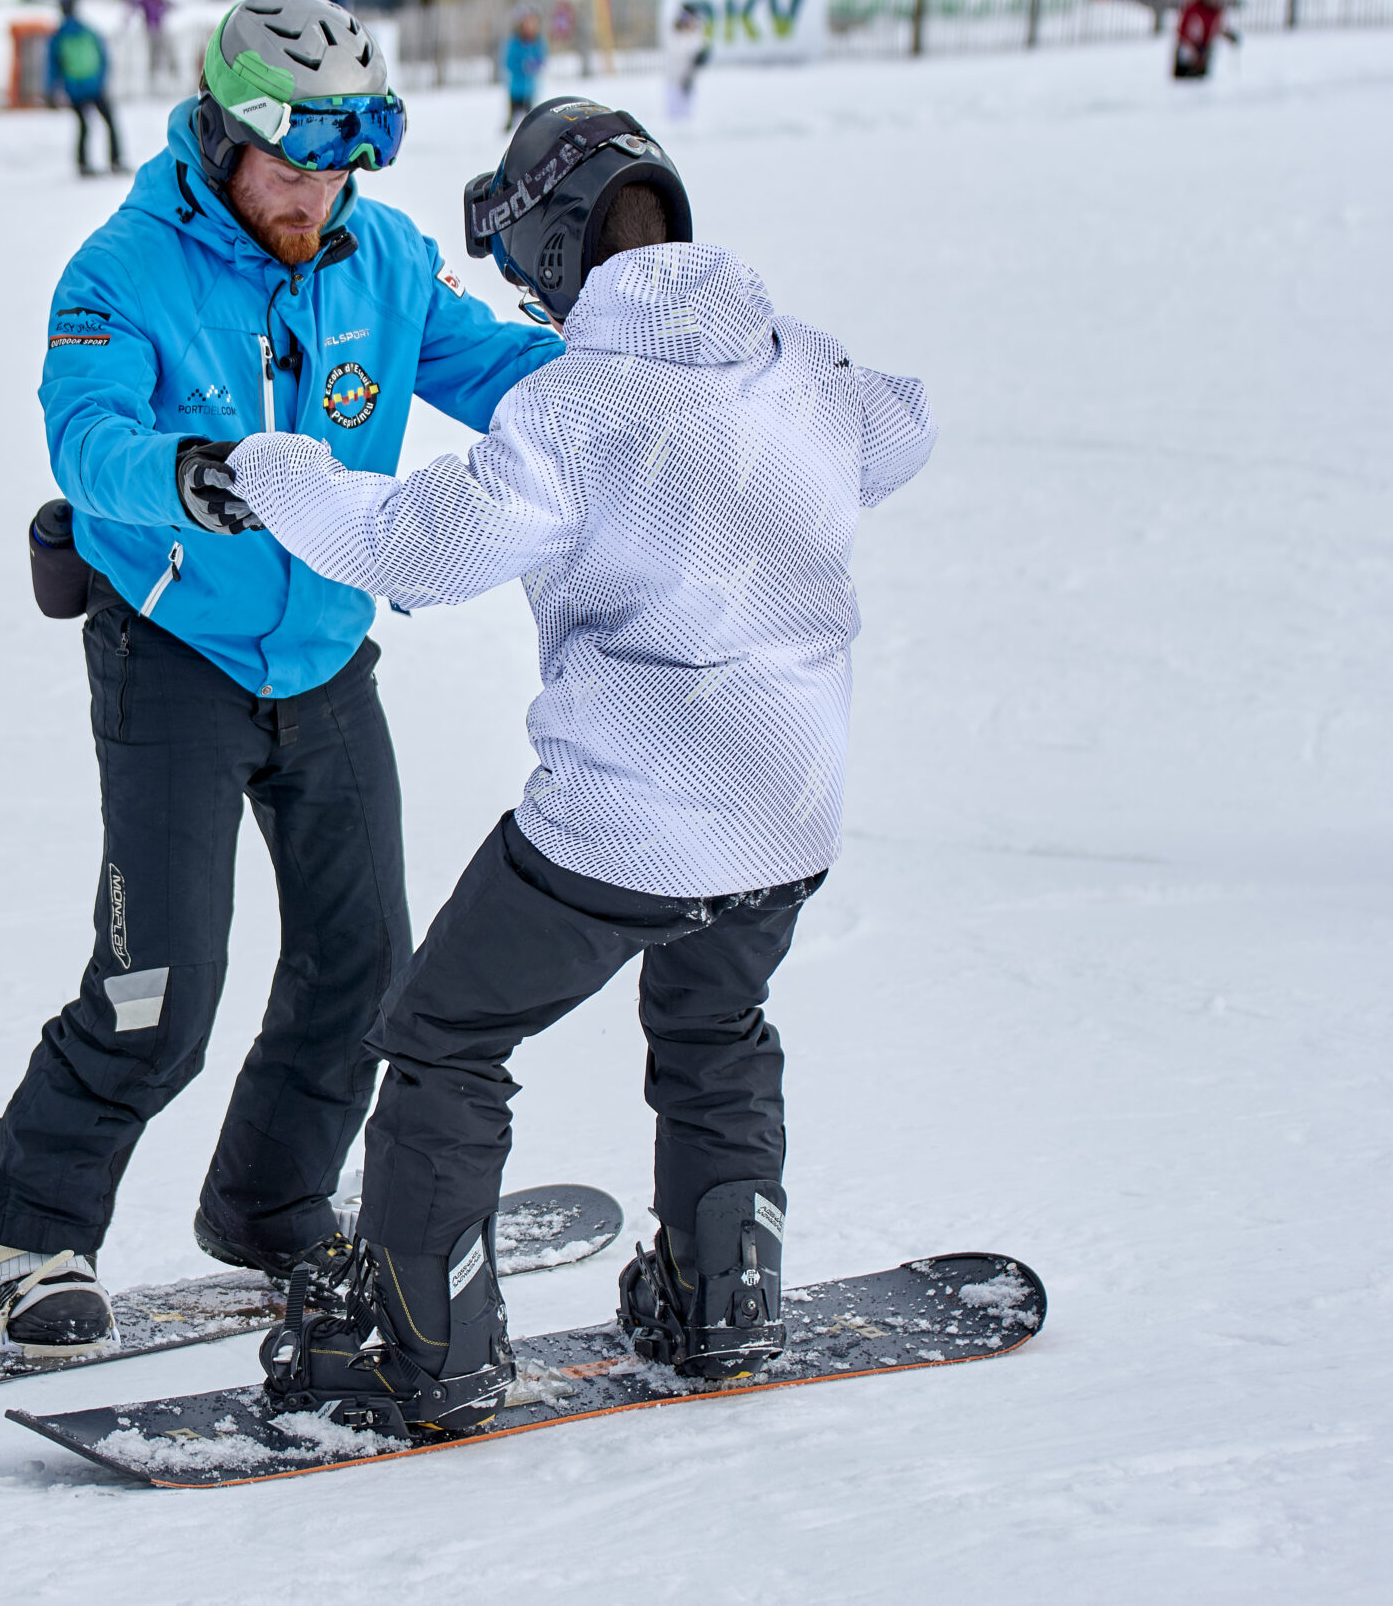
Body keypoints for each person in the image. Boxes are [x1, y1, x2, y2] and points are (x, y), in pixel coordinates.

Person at [222, 97, 935, 1433]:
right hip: (788, 808)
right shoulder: (794, 363)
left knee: (444, 1037)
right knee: (716, 1025)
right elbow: (902, 425)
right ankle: (723, 1300)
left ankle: (422, 1346)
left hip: (627, 819)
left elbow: (416, 548)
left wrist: (279, 471)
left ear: (553, 247)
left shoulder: (575, 408)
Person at [0, 0, 560, 1355]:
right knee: (157, 987)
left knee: (365, 967)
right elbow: (88, 438)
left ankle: (272, 1202)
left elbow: (502, 370)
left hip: (327, 651)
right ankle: (26, 1230)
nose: (315, 195)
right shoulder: (122, 270)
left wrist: (639, 376)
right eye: (292, 166)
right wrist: (190, 474)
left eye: (341, 168)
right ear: (224, 137)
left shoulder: (381, 256)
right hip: (174, 647)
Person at [50, 0, 119, 177]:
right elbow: (103, 55)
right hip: (94, 85)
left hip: (74, 87)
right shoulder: (88, 30)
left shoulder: (58, 36)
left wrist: (54, 88)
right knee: (110, 122)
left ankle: (82, 164)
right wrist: (102, 79)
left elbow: (53, 64)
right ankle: (116, 160)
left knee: (83, 127)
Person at [1173, 0, 1238, 79]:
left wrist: (1229, 35)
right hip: (1188, 50)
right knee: (1185, 81)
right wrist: (1193, 47)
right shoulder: (1193, 7)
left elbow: (1219, 27)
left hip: (1205, 51)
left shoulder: (1217, 10)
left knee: (1200, 81)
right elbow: (1182, 29)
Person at [500, 8, 544, 131]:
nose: (530, 26)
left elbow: (541, 59)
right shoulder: (514, 42)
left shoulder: (537, 41)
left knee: (530, 120)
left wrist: (534, 65)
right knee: (513, 120)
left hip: (530, 89)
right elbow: (509, 62)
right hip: (516, 88)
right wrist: (522, 66)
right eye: (526, 23)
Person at [662, 3, 708, 120]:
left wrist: (700, 59)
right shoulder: (674, 34)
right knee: (673, 116)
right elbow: (675, 53)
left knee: (686, 116)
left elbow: (697, 58)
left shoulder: (696, 36)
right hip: (673, 80)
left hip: (688, 81)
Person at [133, 0, 173, 86]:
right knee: (152, 51)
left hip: (159, 29)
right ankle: (152, 73)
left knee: (162, 50)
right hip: (150, 30)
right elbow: (136, 3)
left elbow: (169, 5)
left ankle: (165, 71)